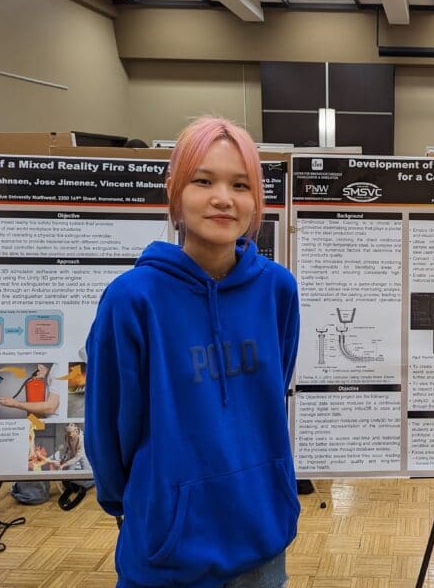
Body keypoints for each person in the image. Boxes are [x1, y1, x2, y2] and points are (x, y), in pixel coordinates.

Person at [85, 116, 300, 587]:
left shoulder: (277, 290)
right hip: (168, 552)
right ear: (175, 191)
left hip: (261, 540)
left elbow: (271, 390)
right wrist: (148, 509)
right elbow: (109, 427)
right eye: (204, 180)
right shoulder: (132, 299)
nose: (223, 198)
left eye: (240, 184)